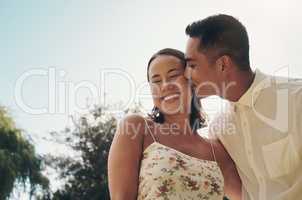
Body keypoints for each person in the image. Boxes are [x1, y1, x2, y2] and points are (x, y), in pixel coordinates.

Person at [184, 14, 302, 200]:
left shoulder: (297, 100)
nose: (185, 74)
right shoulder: (219, 129)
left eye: (192, 65)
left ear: (223, 64)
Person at [108, 48, 242, 200]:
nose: (165, 85)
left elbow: (252, 195)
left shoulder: (216, 150)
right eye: (156, 81)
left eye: (173, 76)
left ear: (192, 81)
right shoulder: (136, 128)